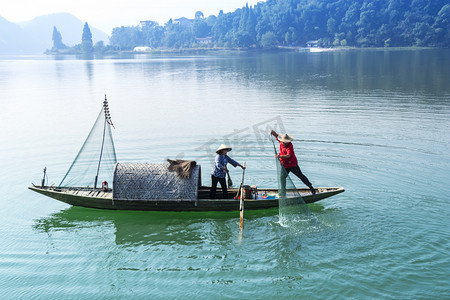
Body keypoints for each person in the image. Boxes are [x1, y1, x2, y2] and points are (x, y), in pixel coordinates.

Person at [270, 130, 316, 195]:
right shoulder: (281, 142)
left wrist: (279, 156)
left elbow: (288, 155)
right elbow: (276, 135)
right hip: (284, 165)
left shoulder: (290, 146)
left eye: (286, 142)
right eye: (284, 142)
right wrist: (272, 132)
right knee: (282, 178)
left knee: (300, 176)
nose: (285, 143)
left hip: (292, 165)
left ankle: (311, 187)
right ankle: (283, 192)